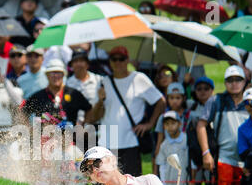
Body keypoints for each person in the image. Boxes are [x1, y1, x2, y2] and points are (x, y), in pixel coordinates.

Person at [89, 46, 166, 177]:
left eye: (121, 59)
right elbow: (93, 117)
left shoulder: (138, 78)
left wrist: (149, 124)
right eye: (114, 59)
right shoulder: (104, 82)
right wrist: (100, 101)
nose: (118, 62)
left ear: (127, 60)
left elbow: (161, 101)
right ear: (110, 61)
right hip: (107, 141)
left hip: (130, 141)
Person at [196, 65, 248, 185]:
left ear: (244, 81)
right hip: (224, 158)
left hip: (248, 161)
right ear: (225, 83)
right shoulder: (216, 100)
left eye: (238, 80)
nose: (234, 84)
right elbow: (201, 125)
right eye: (230, 80)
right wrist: (206, 153)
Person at [156, 111, 198, 185]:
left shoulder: (186, 139)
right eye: (167, 124)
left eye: (173, 123)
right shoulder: (164, 145)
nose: (170, 126)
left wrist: (192, 181)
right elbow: (162, 165)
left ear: (179, 124)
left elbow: (192, 162)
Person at [21, 59, 94, 127]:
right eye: (52, 73)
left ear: (63, 75)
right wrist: (29, 131)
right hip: (45, 139)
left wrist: (84, 126)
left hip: (70, 138)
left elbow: (89, 109)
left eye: (58, 72)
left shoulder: (73, 93)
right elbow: (23, 113)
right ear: (47, 75)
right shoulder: (38, 96)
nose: (55, 76)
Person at [186, 76, 217, 185]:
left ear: (212, 91)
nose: (203, 92)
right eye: (199, 89)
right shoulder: (192, 107)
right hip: (195, 159)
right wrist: (186, 82)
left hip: (213, 158)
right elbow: (181, 97)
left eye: (206, 89)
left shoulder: (217, 106)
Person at [66, 48, 103, 151]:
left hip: (95, 127)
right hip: (75, 129)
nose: (79, 64)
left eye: (82, 61)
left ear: (87, 64)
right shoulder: (67, 83)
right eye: (76, 61)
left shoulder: (99, 80)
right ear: (72, 65)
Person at [153, 82, 189, 176]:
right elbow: (159, 143)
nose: (175, 101)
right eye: (171, 98)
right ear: (167, 98)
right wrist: (155, 171)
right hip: (168, 154)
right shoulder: (163, 117)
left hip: (184, 153)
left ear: (184, 98)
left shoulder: (189, 116)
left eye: (178, 98)